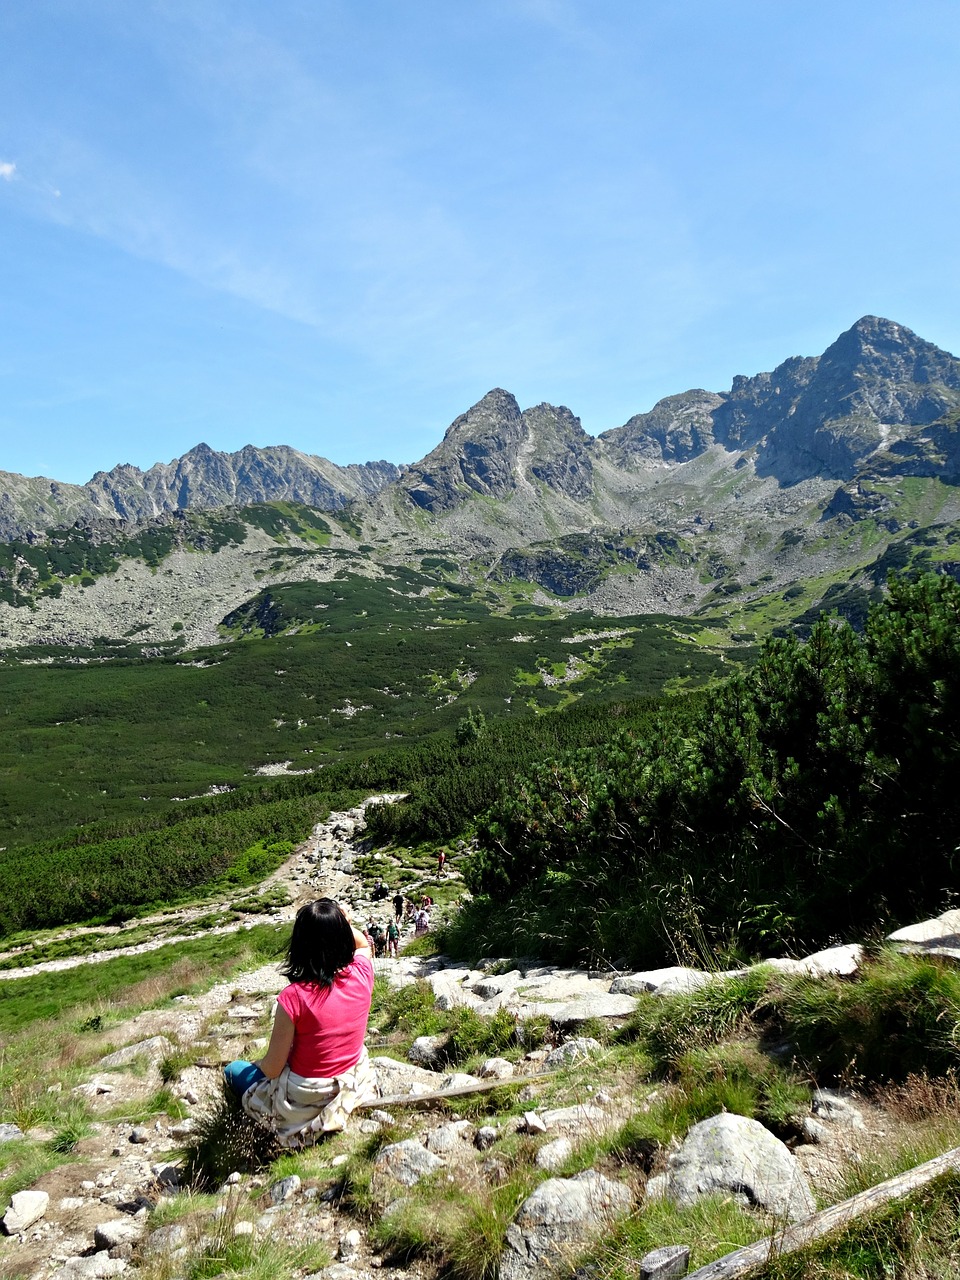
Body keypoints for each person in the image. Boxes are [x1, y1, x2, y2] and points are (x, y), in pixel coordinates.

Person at [223, 898, 376, 1145]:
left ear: (301, 945)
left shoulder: (293, 997)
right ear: (343, 937)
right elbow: (362, 945)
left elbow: (272, 1069)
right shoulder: (362, 973)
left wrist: (259, 1062)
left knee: (233, 1070)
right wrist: (341, 922)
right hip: (350, 1078)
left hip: (305, 1098)